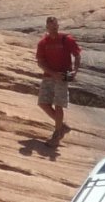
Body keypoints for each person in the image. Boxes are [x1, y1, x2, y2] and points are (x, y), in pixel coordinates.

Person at [35, 16, 82, 145]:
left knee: (58, 104)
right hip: (49, 76)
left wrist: (75, 71)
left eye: (55, 26)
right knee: (43, 103)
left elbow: (77, 55)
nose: (53, 29)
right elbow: (40, 62)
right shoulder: (43, 43)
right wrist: (52, 73)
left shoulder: (66, 39)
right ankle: (62, 126)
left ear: (58, 26)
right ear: (47, 28)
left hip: (62, 76)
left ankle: (56, 135)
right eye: (51, 27)